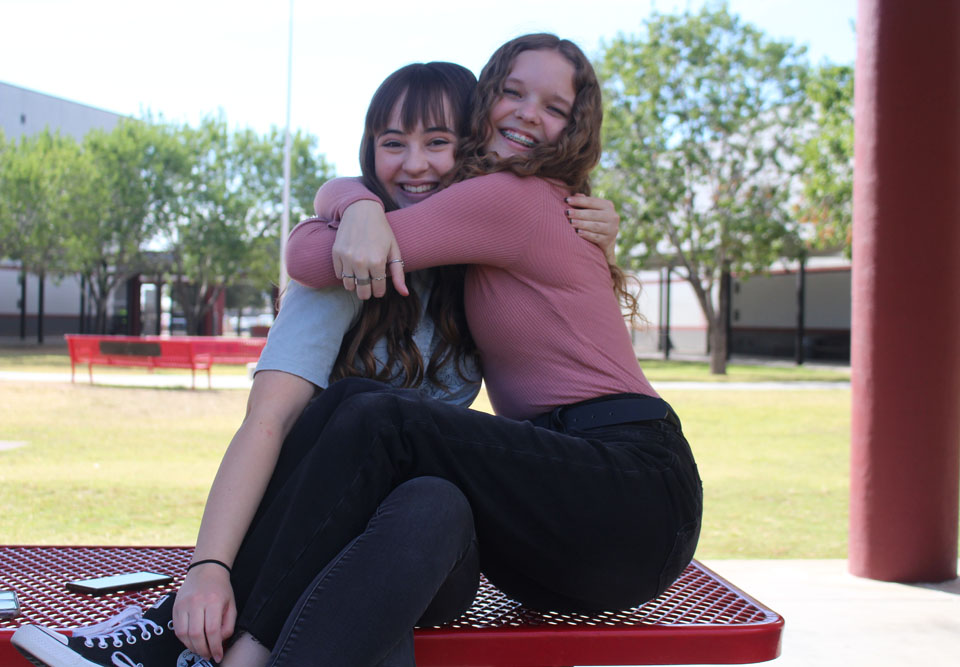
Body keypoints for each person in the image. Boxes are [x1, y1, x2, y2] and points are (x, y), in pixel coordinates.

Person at [10, 58, 621, 667]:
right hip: (306, 548)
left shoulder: (484, 268)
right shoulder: (340, 265)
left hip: (427, 553)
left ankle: (203, 651)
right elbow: (267, 422)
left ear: (473, 149)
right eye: (392, 143)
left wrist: (600, 222)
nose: (413, 163)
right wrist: (208, 570)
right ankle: (186, 638)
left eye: (438, 142)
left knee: (436, 501)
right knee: (389, 534)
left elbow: (561, 297)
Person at [217, 33, 702, 666]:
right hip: (549, 530)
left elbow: (310, 255)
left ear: (573, 129)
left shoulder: (511, 199)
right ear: (485, 100)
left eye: (555, 107)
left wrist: (355, 201)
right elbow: (337, 238)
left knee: (376, 413)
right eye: (513, 92)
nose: (530, 113)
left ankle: (243, 645)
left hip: (628, 491)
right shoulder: (498, 207)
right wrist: (351, 194)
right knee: (407, 470)